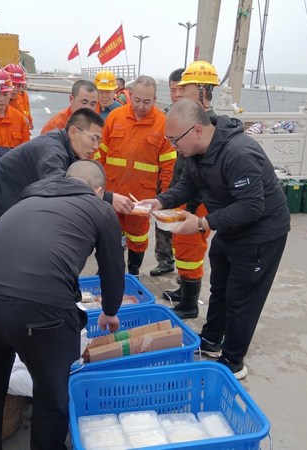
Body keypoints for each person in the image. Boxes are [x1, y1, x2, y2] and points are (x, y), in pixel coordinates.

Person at [0, 160, 124, 450]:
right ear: (98, 191)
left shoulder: (25, 202)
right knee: (51, 394)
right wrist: (110, 310)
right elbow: (112, 269)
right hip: (40, 307)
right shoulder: (99, 208)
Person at [140, 99, 290, 379]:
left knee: (242, 296)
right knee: (220, 286)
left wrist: (202, 223)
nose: (173, 147)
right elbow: (187, 185)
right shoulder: (194, 151)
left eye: (175, 140)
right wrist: (159, 202)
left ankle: (233, 360)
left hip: (261, 231)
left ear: (196, 130)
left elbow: (252, 206)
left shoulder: (238, 152)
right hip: (230, 226)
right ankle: (211, 339)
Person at [0, 108, 133, 220]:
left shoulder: (67, 148)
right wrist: (108, 198)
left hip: (14, 204)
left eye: (99, 141)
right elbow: (60, 187)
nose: (96, 146)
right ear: (73, 132)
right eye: (93, 138)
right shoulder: (51, 150)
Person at [96, 75, 176, 276]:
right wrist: (98, 189)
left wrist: (165, 198)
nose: (141, 106)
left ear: (155, 100)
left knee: (138, 238)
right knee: (107, 235)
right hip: (112, 193)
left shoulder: (162, 124)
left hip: (140, 197)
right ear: (130, 95)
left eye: (147, 102)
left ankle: (133, 273)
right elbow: (100, 155)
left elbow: (168, 167)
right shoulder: (116, 117)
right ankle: (106, 271)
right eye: (137, 100)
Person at [161, 61, 220, 319]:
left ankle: (190, 303)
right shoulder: (190, 119)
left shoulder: (208, 124)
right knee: (182, 246)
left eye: (187, 87)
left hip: (197, 201)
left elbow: (203, 172)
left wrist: (194, 207)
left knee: (190, 249)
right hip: (185, 194)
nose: (180, 92)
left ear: (203, 90)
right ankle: (184, 290)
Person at [150, 68, 184, 277]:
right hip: (166, 177)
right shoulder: (166, 115)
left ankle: (185, 275)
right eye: (173, 90)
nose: (176, 94)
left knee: (183, 229)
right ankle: (164, 260)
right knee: (162, 221)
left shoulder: (196, 116)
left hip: (185, 178)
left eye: (180, 90)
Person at [5, 64, 34, 131]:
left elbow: (26, 111)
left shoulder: (23, 96)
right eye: (12, 84)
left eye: (18, 86)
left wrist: (30, 120)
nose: (15, 89)